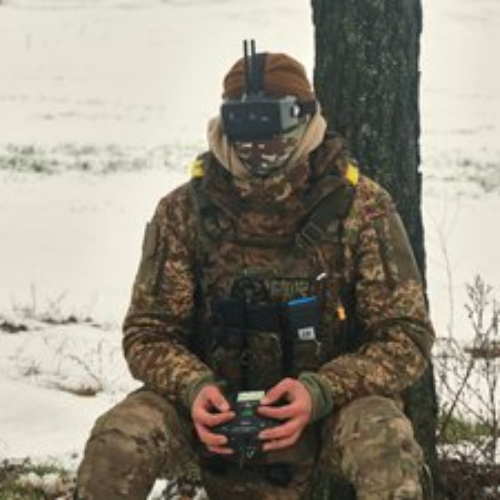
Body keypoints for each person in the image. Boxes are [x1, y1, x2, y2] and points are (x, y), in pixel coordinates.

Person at [75, 43, 435, 500]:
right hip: (208, 411)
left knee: (384, 442)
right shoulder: (183, 211)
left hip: (328, 412)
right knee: (118, 442)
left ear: (306, 117)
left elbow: (405, 336)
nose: (257, 143)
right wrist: (194, 387)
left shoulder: (361, 208)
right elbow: (148, 332)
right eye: (243, 123)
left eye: (272, 121)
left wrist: (320, 391)